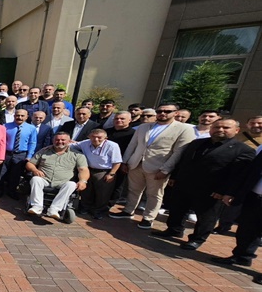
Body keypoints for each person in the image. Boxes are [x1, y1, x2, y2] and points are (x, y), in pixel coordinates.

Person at [151, 119, 254, 249]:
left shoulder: (243, 150)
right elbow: (184, 161)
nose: (220, 130)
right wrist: (175, 176)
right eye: (216, 127)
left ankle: (197, 239)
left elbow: (238, 175)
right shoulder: (196, 143)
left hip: (212, 190)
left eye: (226, 127)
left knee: (206, 216)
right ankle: (174, 230)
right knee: (177, 209)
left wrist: (224, 191)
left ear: (236, 130)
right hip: (184, 184)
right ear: (211, 129)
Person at [109, 102, 195, 229]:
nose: (162, 114)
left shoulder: (184, 129)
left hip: (158, 167)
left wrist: (166, 170)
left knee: (154, 194)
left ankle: (148, 218)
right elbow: (133, 145)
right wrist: (125, 161)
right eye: (160, 111)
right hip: (136, 163)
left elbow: (179, 152)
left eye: (167, 111)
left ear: (175, 113)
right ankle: (128, 211)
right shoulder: (144, 127)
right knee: (133, 190)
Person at [211, 146, 262, 281]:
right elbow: (250, 170)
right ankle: (242, 256)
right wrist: (234, 192)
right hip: (254, 197)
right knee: (247, 229)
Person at [25, 132, 90, 219]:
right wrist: (35, 170)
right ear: (53, 140)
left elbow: (83, 169)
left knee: (72, 184)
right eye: (57, 140)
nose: (60, 142)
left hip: (63, 182)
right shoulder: (44, 151)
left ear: (69, 141)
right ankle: (37, 206)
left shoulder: (77, 155)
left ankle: (54, 209)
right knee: (35, 179)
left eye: (63, 140)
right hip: (45, 179)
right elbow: (30, 163)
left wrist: (83, 181)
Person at [71, 129, 122, 219]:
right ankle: (85, 208)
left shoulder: (112, 145)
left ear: (105, 138)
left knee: (103, 194)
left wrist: (112, 174)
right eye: (93, 137)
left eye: (99, 137)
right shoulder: (85, 143)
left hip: (104, 171)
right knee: (86, 191)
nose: (96, 139)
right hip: (89, 170)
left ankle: (99, 211)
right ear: (89, 137)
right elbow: (70, 145)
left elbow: (117, 162)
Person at [0, 109, 37, 199]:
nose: (20, 117)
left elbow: (32, 142)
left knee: (16, 174)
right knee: (1, 172)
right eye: (17, 115)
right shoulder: (5, 126)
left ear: (27, 117)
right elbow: (0, 141)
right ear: (14, 116)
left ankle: (12, 191)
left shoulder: (31, 128)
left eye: (22, 116)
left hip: (21, 154)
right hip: (6, 153)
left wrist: (29, 156)